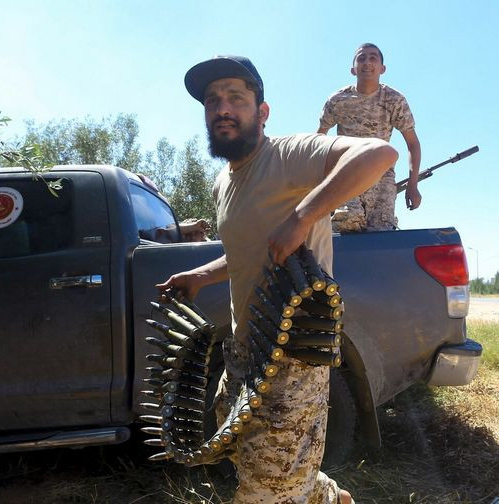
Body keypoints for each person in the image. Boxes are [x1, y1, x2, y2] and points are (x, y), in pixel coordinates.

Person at [156, 55, 398, 503]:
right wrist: (199, 276)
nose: (222, 108)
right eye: (212, 101)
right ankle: (325, 495)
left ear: (262, 112)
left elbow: (380, 154)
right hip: (246, 347)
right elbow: (249, 252)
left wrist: (303, 216)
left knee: (267, 488)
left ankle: (308, 492)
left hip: (294, 353)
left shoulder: (288, 154)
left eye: (236, 98)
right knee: (245, 450)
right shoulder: (223, 182)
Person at [317, 43, 421, 232]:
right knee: (347, 223)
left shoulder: (394, 100)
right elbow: (318, 139)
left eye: (373, 58)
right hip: (346, 176)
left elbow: (412, 144)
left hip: (382, 180)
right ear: (353, 69)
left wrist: (412, 185)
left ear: (382, 68)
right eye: (361, 58)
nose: (367, 62)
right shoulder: (337, 100)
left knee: (380, 236)